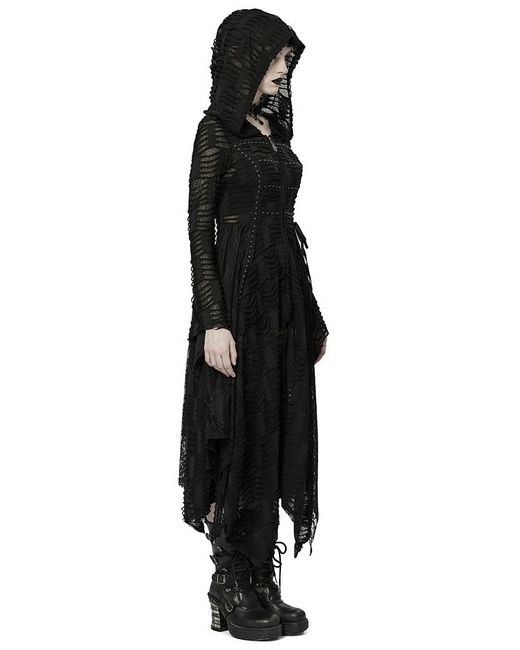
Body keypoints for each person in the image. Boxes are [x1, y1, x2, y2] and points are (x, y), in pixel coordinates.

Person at [178, 9, 329, 640]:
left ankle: (263, 577)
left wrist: (310, 314)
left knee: (273, 427)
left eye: (288, 60)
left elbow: (288, 232)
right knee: (235, 429)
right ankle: (230, 580)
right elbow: (199, 231)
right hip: (236, 302)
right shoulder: (216, 132)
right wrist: (214, 320)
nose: (284, 69)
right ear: (246, 59)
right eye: (276, 58)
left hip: (281, 303)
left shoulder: (273, 130)